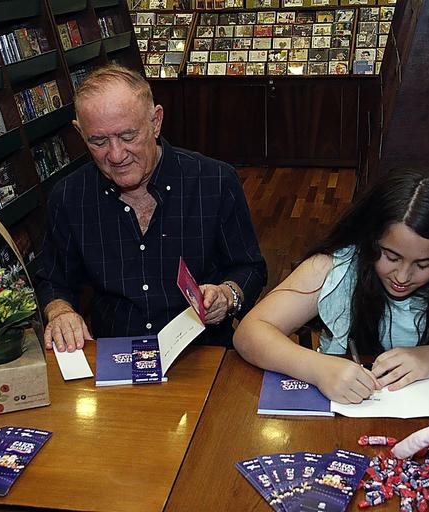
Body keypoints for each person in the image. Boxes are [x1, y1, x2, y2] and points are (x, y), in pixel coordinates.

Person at [233, 167, 429, 404]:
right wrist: (318, 368)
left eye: (424, 264)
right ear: (371, 237)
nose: (402, 276)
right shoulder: (336, 265)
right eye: (390, 256)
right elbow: (250, 333)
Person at [36, 64, 266, 352]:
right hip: (115, 356)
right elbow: (52, 279)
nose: (116, 155)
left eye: (128, 136)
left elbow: (250, 267)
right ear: (80, 133)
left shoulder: (215, 181)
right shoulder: (69, 196)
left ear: (156, 121)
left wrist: (228, 295)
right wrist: (59, 312)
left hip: (202, 354)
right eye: (98, 141)